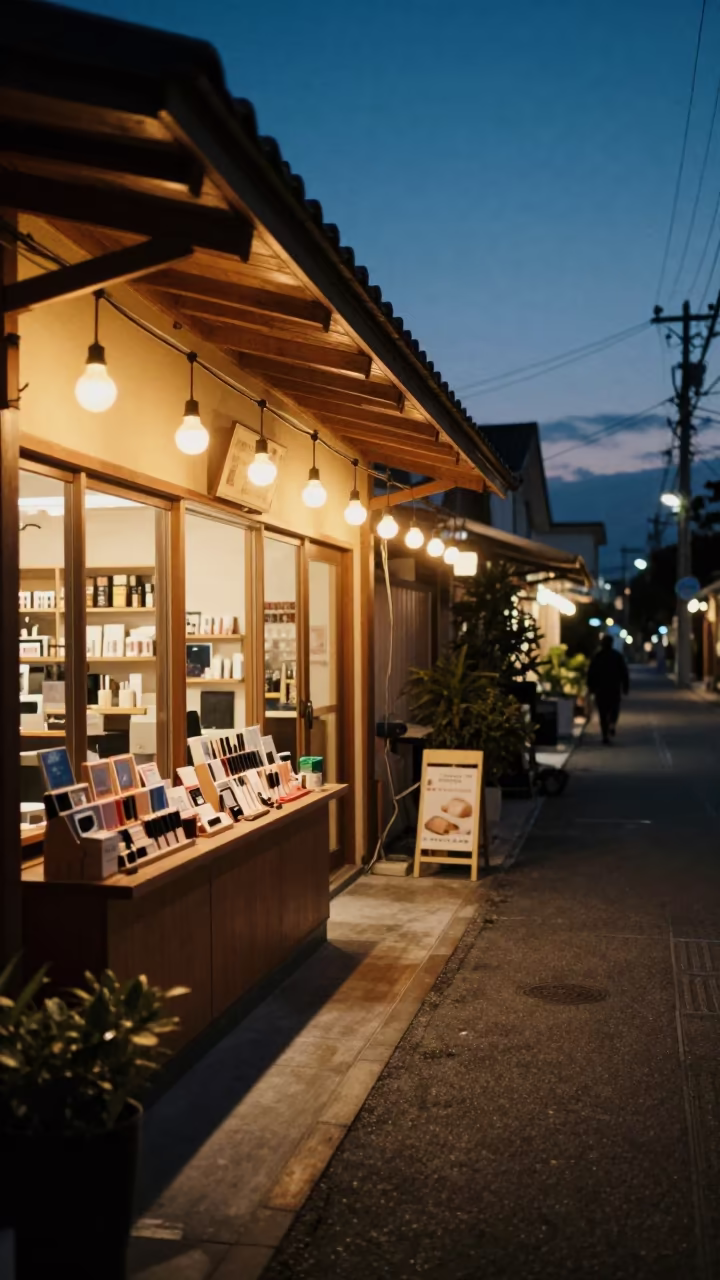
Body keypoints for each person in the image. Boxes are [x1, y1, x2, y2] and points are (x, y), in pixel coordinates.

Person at [587, 634, 629, 745]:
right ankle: (612, 724)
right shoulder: (617, 656)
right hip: (614, 688)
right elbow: (624, 672)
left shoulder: (597, 656)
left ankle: (605, 734)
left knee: (602, 712)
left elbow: (591, 673)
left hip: (600, 689)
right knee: (614, 709)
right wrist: (625, 686)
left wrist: (590, 687)